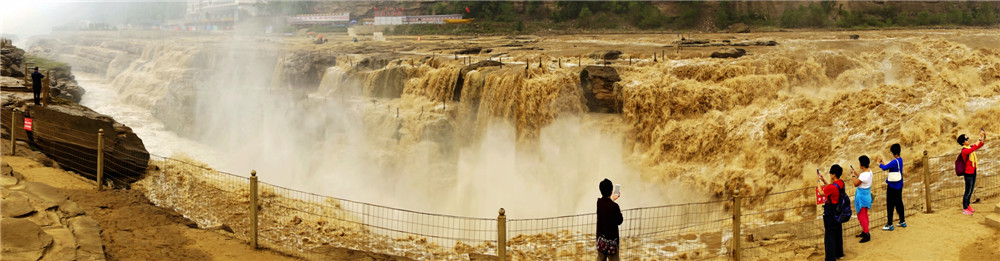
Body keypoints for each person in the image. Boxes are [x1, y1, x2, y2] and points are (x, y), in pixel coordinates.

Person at [817, 165, 846, 261]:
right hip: (839, 210)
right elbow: (832, 187)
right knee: (838, 232)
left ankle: (830, 258)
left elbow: (821, 192)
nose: (830, 174)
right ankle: (839, 253)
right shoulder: (841, 183)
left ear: (833, 175)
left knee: (829, 234)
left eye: (830, 173)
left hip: (830, 212)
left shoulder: (831, 188)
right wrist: (824, 181)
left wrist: (818, 181)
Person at [877, 143, 905, 231]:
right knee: (899, 203)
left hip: (892, 186)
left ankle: (889, 224)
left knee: (890, 205)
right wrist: (882, 163)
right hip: (899, 185)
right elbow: (889, 167)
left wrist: (878, 163)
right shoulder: (900, 160)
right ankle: (902, 221)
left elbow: (885, 168)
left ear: (893, 152)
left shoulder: (894, 161)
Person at [958, 129, 986, 215]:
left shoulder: (969, 148)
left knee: (971, 189)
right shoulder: (965, 151)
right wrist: (980, 137)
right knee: (967, 190)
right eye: (967, 139)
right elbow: (974, 147)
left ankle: (968, 205)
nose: (968, 140)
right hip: (968, 173)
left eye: (968, 138)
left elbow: (980, 145)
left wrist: (983, 136)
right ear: (963, 142)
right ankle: (965, 208)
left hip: (973, 171)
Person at [596, 178, 622, 261]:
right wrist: (613, 201)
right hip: (612, 243)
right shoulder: (614, 206)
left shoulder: (599, 203)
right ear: (611, 191)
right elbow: (619, 221)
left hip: (601, 241)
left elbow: (606, 206)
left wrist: (612, 200)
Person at [850, 156, 873, 243]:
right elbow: (862, 179)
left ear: (862, 164)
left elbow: (856, 183)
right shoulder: (870, 172)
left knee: (861, 216)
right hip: (867, 196)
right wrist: (856, 173)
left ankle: (867, 233)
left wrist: (853, 175)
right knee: (865, 214)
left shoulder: (864, 175)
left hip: (862, 198)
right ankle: (865, 231)